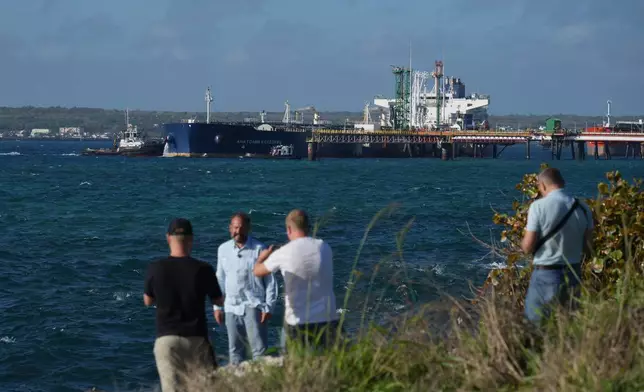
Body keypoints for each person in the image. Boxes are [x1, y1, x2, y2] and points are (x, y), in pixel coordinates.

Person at [144, 218, 223, 392]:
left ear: (168, 238)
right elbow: (218, 300)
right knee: (205, 387)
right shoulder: (203, 269)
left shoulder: (156, 268)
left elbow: (148, 301)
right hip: (196, 338)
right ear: (191, 239)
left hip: (167, 339)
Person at [253, 209, 340, 350]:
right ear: (307, 226)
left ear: (288, 229)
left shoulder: (284, 252)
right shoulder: (324, 247)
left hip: (298, 322)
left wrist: (263, 256)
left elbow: (257, 271)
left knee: (293, 366)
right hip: (327, 318)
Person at [521, 168, 594, 325]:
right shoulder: (583, 208)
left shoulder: (538, 207)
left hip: (546, 274)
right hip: (573, 272)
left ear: (542, 186)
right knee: (568, 325)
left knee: (535, 326)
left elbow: (527, 246)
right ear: (563, 183)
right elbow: (588, 248)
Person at [214, 212, 278, 365]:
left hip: (254, 305)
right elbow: (220, 279)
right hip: (231, 306)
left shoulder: (259, 249)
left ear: (248, 228)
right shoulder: (223, 249)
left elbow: (270, 281)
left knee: (259, 351)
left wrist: (269, 307)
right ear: (230, 228)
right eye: (235, 227)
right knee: (235, 352)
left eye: (242, 228)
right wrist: (217, 306)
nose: (238, 231)